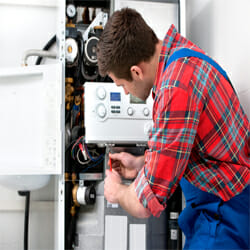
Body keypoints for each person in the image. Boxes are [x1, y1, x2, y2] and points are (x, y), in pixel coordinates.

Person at [96, 8, 250, 249]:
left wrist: (116, 192)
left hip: (224, 214)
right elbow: (183, 150)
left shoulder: (175, 87)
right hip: (217, 206)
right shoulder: (181, 56)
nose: (125, 93)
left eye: (122, 85)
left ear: (136, 72)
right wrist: (140, 164)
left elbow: (145, 203)